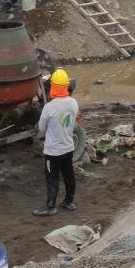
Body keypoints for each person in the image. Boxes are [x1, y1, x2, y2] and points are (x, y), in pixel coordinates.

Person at [33, 69, 80, 216]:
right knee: (69, 174)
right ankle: (69, 201)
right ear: (66, 86)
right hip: (68, 148)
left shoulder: (49, 107)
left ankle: (50, 206)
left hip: (52, 152)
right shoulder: (73, 103)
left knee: (52, 178)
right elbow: (73, 122)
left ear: (53, 86)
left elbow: (41, 128)